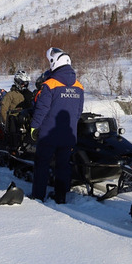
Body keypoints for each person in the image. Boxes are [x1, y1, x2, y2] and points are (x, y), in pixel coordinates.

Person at [30, 48, 84, 203]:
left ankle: (38, 195)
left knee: (42, 164)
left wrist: (34, 127)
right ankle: (61, 197)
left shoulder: (50, 84)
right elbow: (78, 111)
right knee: (63, 166)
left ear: (55, 62)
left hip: (49, 134)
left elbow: (42, 109)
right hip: (68, 134)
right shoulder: (79, 86)